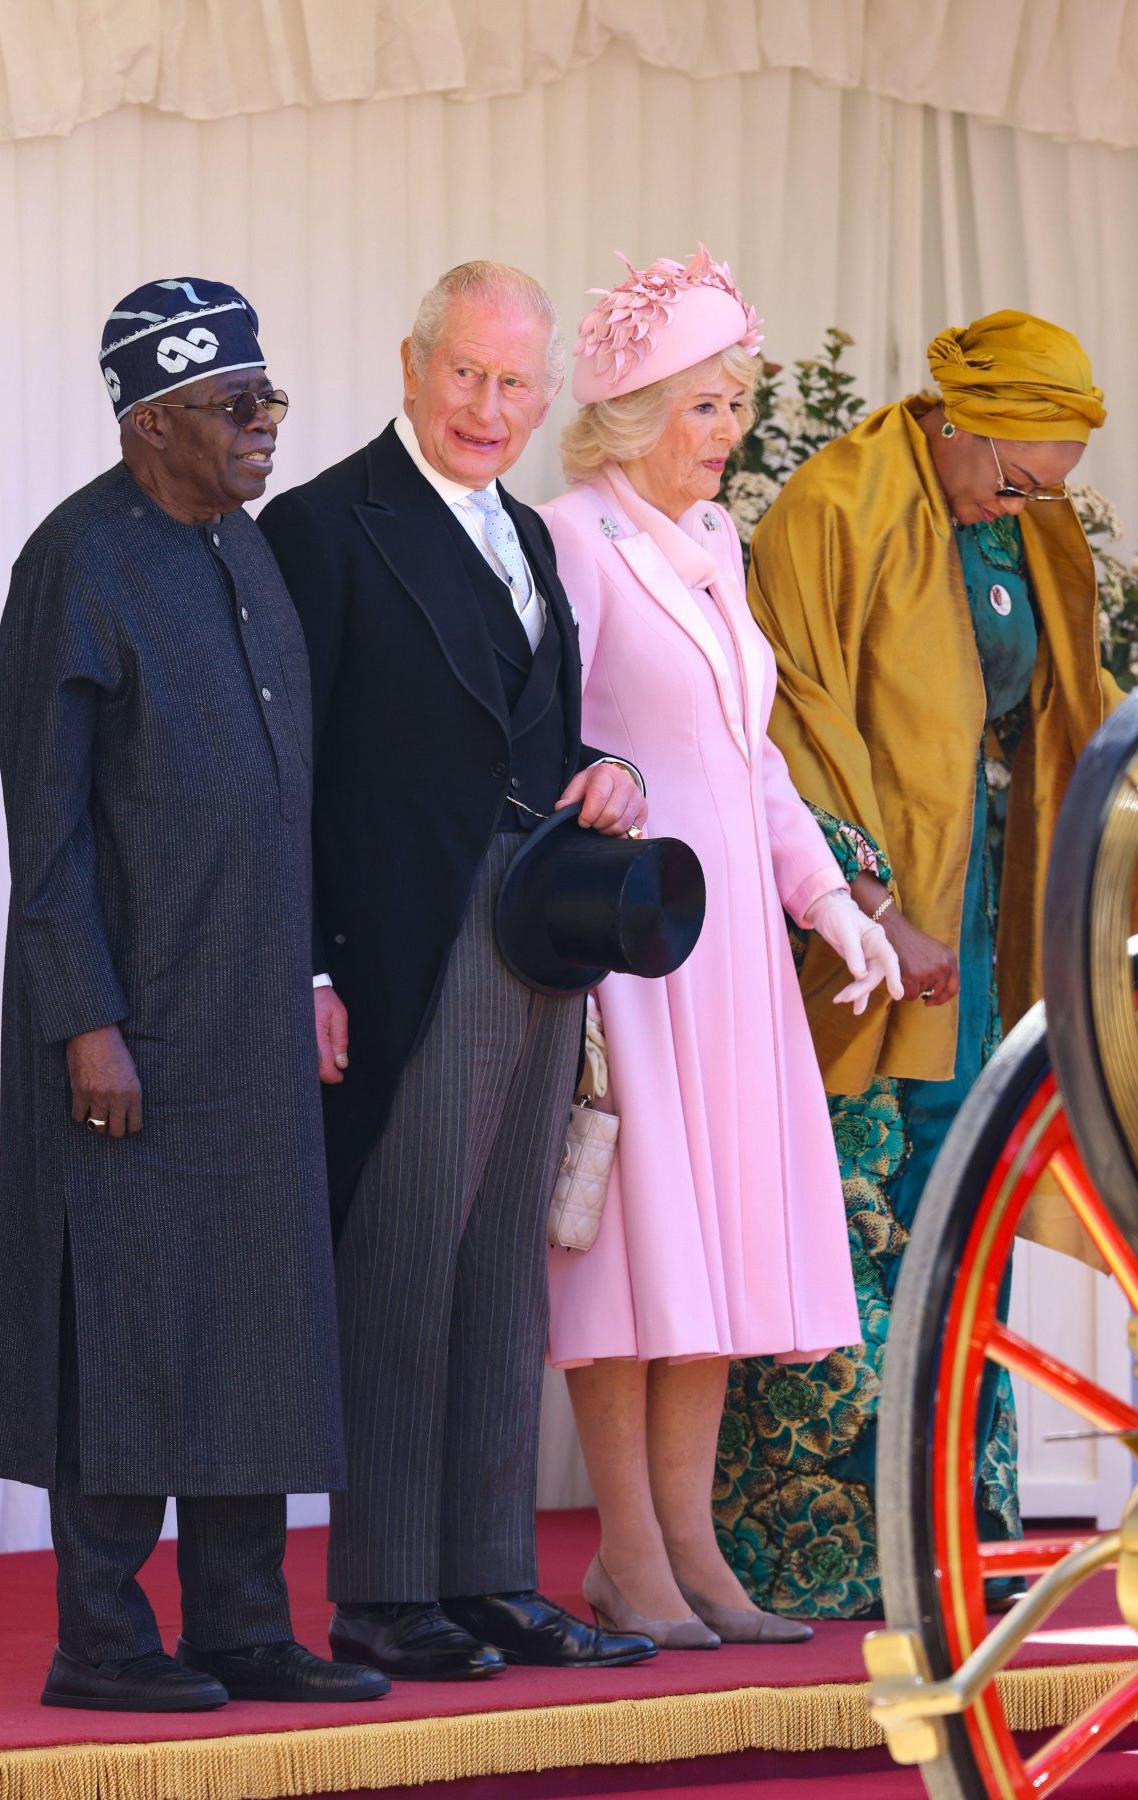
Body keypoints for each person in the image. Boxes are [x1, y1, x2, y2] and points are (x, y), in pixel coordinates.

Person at [0, 277, 387, 1711]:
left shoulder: (249, 555)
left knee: (255, 1326)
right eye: (236, 407)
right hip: (133, 1027)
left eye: (270, 400)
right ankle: (101, 1645)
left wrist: (319, 975)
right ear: (150, 420)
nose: (265, 427)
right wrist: (83, 1016)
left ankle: (241, 1628)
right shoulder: (76, 566)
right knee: (128, 1327)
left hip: (258, 1017)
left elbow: (288, 803)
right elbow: (49, 823)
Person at [258, 261, 657, 1682]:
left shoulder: (530, 539)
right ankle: (383, 1595)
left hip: (538, 940)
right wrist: (302, 968)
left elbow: (535, 743)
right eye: (466, 374)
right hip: (402, 943)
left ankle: (489, 1577)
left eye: (514, 383)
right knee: (405, 1258)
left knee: (504, 1276)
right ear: (414, 365)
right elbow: (281, 770)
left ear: (547, 396)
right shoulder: (320, 527)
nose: (489, 406)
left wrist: (603, 773)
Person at [715, 309, 1111, 1619]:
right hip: (867, 931)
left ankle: (969, 1514)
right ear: (962, 420)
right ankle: (837, 1548)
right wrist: (878, 900)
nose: (1025, 508)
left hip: (994, 904)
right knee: (863, 1215)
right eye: (1015, 478)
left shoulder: (1017, 525)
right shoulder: (835, 509)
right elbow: (791, 721)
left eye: (1048, 491)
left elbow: (1074, 706)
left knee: (974, 1195)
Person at [538, 247, 902, 1648]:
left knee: (714, 1254)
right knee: (636, 1254)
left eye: (738, 401)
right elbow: (538, 737)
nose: (731, 431)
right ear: (633, 412)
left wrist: (832, 907)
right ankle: (627, 1552)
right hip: (631, 943)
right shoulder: (574, 536)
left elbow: (753, 768)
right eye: (707, 404)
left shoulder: (720, 545)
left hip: (734, 950)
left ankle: (693, 1553)